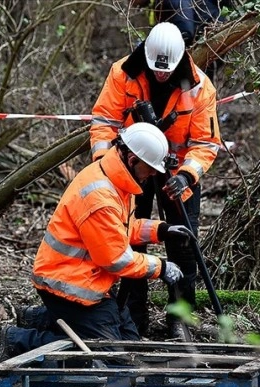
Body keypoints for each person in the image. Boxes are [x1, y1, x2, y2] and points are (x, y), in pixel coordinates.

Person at [0, 122, 194, 363]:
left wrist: (162, 230)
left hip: (90, 283)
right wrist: (161, 267)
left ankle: (39, 319)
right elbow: (116, 259)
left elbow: (120, 230)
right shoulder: (101, 197)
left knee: (130, 342)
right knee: (111, 357)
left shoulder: (116, 181)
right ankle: (17, 340)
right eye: (150, 168)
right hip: (69, 287)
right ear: (132, 160)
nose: (153, 174)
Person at [89, 22, 221, 339]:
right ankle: (133, 319)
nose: (161, 75)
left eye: (167, 71)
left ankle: (181, 320)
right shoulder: (123, 73)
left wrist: (187, 175)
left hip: (177, 174)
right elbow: (104, 122)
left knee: (183, 245)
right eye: (156, 70)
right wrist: (107, 168)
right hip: (131, 167)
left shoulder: (200, 88)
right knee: (131, 240)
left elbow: (206, 143)